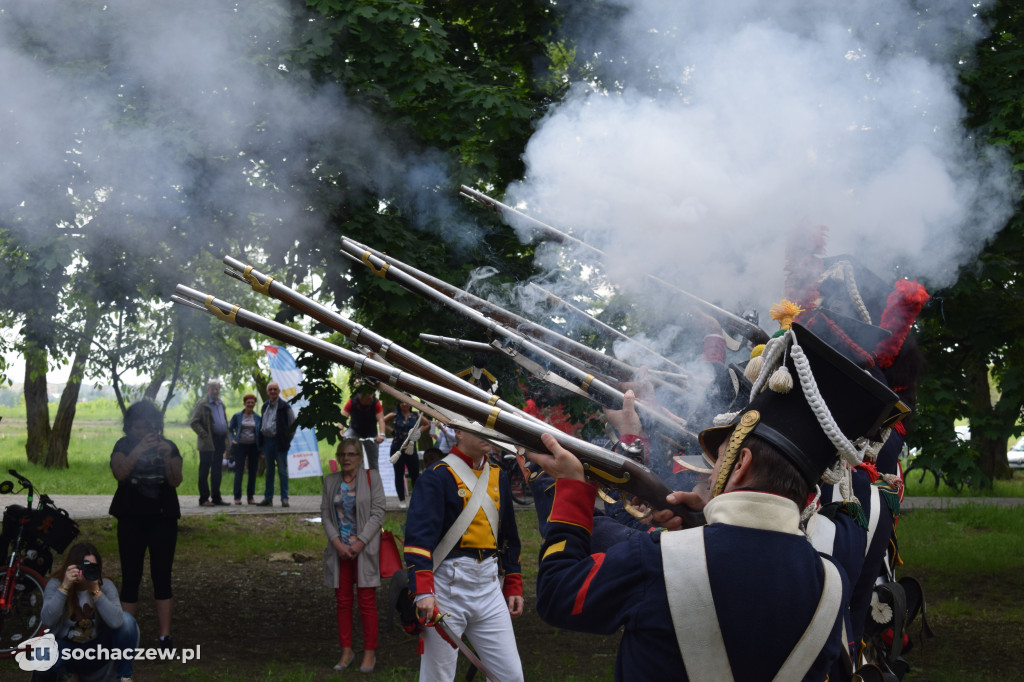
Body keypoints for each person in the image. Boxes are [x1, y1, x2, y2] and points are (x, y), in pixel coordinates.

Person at [530, 323, 905, 680]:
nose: (709, 475)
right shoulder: (831, 583)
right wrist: (705, 526)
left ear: (740, 465)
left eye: (720, 459)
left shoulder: (657, 558)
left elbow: (559, 595)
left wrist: (571, 486)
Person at [404, 429, 525, 682]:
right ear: (458, 431)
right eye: (477, 427)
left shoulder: (498, 475)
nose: (487, 434)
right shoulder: (437, 476)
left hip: (489, 586)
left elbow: (509, 536)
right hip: (447, 588)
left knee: (510, 676)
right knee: (438, 677)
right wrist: (424, 591)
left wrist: (513, 583)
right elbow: (419, 539)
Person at [109, 399, 182, 651]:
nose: (142, 432)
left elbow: (175, 480)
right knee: (131, 576)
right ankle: (126, 636)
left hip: (163, 518)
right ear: (129, 427)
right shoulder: (123, 446)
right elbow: (120, 473)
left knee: (162, 575)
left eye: (146, 428)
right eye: (137, 428)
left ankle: (165, 637)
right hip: (131, 518)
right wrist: (139, 449)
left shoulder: (169, 447)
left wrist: (166, 458)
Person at [321, 438, 386, 673]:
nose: (346, 458)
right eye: (342, 454)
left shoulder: (372, 478)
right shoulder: (330, 481)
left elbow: (378, 513)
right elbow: (326, 515)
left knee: (367, 602)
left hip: (364, 550)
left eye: (351, 454)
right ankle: (346, 650)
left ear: (360, 457)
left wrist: (359, 543)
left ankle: (369, 652)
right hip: (340, 551)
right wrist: (337, 543)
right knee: (343, 602)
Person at [39, 542, 140, 682]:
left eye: (93, 567)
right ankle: (67, 676)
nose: (88, 571)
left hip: (97, 649)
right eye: (84, 566)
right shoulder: (57, 584)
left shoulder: (105, 586)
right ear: (72, 567)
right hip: (68, 649)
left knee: (128, 621)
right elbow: (47, 620)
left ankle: (124, 677)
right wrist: (64, 588)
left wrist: (95, 591)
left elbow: (118, 622)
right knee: (41, 653)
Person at [189, 379, 230, 507]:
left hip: (219, 441)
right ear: (208, 390)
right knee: (204, 471)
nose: (215, 391)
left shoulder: (221, 404)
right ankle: (204, 499)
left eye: (217, 388)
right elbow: (194, 422)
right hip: (207, 443)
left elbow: (223, 421)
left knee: (217, 471)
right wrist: (204, 435)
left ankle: (216, 498)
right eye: (212, 388)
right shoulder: (202, 404)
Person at [257, 381, 296, 508]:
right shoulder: (264, 406)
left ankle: (284, 499)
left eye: (275, 389)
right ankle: (268, 498)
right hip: (267, 442)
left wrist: (286, 441)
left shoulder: (285, 407)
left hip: (280, 443)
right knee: (269, 472)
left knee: (282, 471)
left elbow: (292, 425)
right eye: (270, 389)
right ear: (267, 392)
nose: (273, 391)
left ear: (279, 392)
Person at [384, 401, 427, 509]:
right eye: (401, 402)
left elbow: (427, 424)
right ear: (398, 404)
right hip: (397, 447)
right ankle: (402, 500)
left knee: (415, 474)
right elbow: (381, 421)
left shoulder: (416, 415)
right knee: (399, 474)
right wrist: (392, 432)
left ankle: (417, 499)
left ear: (410, 404)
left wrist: (418, 433)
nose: (404, 404)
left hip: (410, 448)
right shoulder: (394, 415)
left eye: (406, 402)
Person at [340, 385, 386, 469]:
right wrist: (341, 433)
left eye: (372, 395)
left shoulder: (376, 403)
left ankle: (374, 480)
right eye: (369, 397)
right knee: (348, 440)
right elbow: (341, 419)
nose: (371, 398)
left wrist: (382, 434)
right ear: (361, 396)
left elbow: (381, 420)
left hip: (371, 433)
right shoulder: (352, 402)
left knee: (373, 462)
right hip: (355, 430)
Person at [229, 393, 262, 505]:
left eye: (252, 403)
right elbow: (230, 429)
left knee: (252, 472)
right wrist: (232, 439)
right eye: (248, 402)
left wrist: (261, 450)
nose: (250, 404)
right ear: (244, 403)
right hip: (240, 446)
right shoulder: (237, 416)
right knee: (239, 471)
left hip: (254, 447)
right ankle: (237, 497)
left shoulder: (257, 418)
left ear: (254, 404)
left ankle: (250, 497)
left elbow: (260, 434)